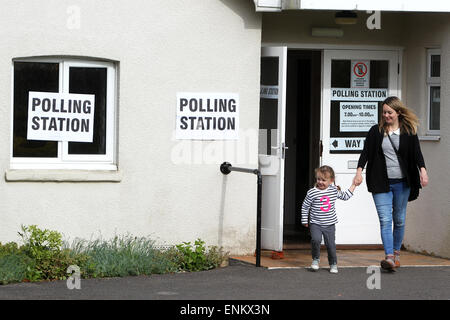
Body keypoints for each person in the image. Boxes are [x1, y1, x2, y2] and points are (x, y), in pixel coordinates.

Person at [354, 96, 428, 271]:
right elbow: (365, 153)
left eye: (389, 112)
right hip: (381, 182)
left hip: (403, 182)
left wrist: (423, 171)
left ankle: (396, 254)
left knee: (399, 220)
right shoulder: (375, 131)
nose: (386, 115)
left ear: (398, 113)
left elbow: (417, 153)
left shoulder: (408, 131)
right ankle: (389, 257)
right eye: (384, 112)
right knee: (385, 219)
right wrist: (358, 172)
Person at [301, 165, 357, 273]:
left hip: (330, 224)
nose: (320, 182)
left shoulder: (333, 190)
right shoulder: (312, 192)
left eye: (323, 180)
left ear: (331, 180)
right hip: (315, 223)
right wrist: (304, 220)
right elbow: (305, 206)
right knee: (315, 240)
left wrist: (354, 185)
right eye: (318, 179)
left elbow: (345, 196)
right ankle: (316, 259)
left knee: (330, 245)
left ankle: (333, 263)